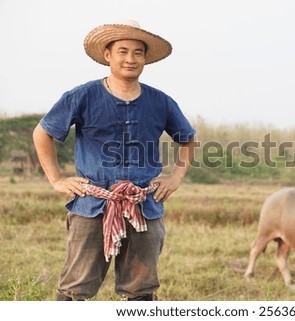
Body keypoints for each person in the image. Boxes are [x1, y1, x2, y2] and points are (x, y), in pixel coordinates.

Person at [32, 20, 196, 301]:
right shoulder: (82, 96)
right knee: (76, 287)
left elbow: (188, 138)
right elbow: (43, 132)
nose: (130, 59)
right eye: (122, 51)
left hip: (144, 205)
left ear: (145, 59)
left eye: (138, 53)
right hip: (91, 203)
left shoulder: (161, 102)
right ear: (108, 55)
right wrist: (57, 180)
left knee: (141, 288)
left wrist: (175, 177)